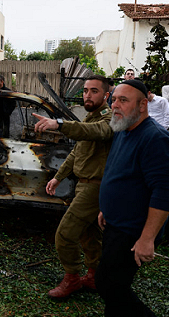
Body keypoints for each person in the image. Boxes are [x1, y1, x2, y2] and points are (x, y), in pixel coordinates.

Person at [96, 79, 169, 317]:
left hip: (133, 231)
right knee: (112, 284)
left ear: (143, 105)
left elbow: (164, 193)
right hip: (114, 223)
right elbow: (117, 172)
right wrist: (106, 209)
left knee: (109, 285)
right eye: (114, 99)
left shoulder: (156, 139)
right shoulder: (123, 128)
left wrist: (147, 238)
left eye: (124, 100)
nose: (115, 105)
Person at [33, 75, 113, 299]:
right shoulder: (90, 118)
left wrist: (59, 124)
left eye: (94, 91)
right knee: (88, 235)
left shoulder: (109, 118)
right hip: (84, 184)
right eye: (85, 90)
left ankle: (72, 279)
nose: (87, 94)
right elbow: (78, 152)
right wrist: (58, 177)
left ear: (106, 95)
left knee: (65, 235)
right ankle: (94, 276)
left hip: (95, 188)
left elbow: (98, 132)